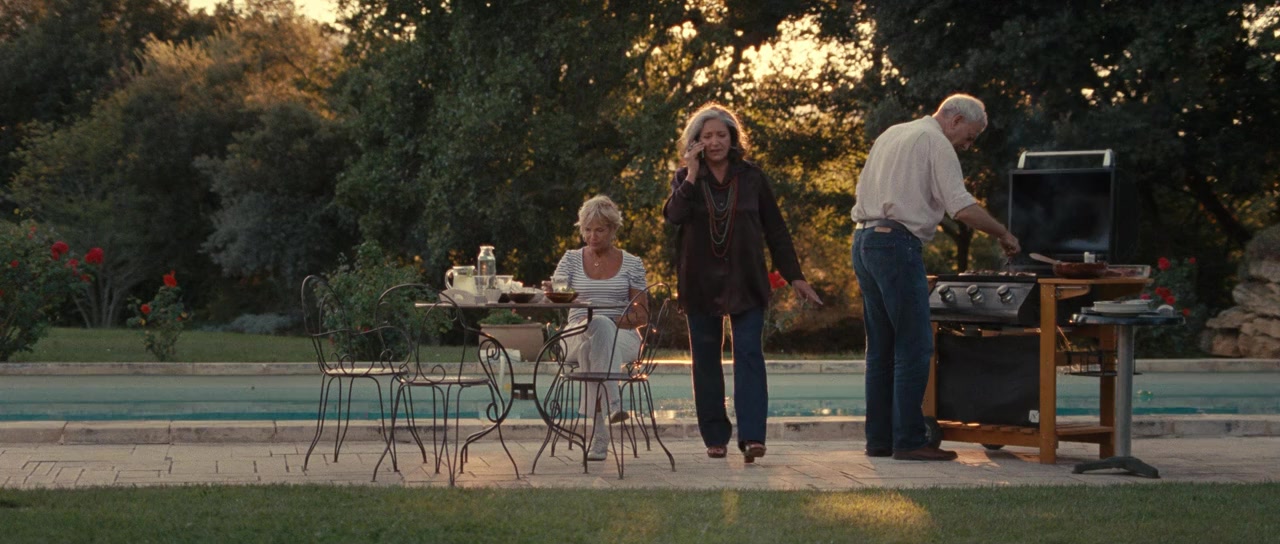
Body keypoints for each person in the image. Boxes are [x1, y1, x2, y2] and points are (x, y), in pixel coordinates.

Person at [850, 93, 1021, 461]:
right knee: (914, 346)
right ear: (955, 120)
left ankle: (880, 440)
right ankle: (910, 440)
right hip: (896, 244)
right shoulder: (935, 141)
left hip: (863, 239)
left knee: (881, 348)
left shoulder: (892, 133)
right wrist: (1003, 233)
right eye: (970, 137)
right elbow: (961, 206)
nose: (968, 146)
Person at [663, 103, 823, 463]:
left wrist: (795, 276)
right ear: (696, 142)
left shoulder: (752, 177)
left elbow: (776, 230)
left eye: (722, 134)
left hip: (746, 279)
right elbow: (674, 216)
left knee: (749, 353)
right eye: (707, 136)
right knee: (706, 360)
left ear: (733, 138)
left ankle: (752, 437)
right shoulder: (685, 178)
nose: (715, 142)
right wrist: (691, 175)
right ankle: (715, 437)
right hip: (700, 282)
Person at [552, 195, 648, 462]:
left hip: (623, 337)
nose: (592, 236)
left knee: (597, 338)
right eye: (587, 230)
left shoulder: (632, 263)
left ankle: (599, 435)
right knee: (592, 336)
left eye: (599, 230)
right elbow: (557, 294)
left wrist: (607, 321)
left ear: (613, 229)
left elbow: (642, 315)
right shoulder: (570, 260)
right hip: (575, 333)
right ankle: (613, 404)